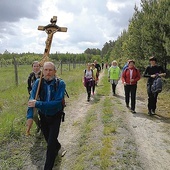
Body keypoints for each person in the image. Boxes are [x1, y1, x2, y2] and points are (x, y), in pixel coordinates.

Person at [26, 61, 66, 170]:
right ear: (42, 71)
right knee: (49, 140)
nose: (48, 72)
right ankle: (57, 146)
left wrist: (38, 104)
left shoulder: (60, 83)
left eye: (50, 70)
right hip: (43, 117)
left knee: (50, 146)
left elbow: (57, 102)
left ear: (55, 71)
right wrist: (29, 117)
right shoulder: (38, 82)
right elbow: (31, 100)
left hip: (55, 116)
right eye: (46, 70)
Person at [27, 61, 41, 133]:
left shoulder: (43, 75)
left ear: (40, 67)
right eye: (34, 66)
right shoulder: (31, 76)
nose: (36, 68)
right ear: (32, 67)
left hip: (42, 98)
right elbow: (29, 87)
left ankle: (44, 127)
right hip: (33, 98)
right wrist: (30, 92)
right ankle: (39, 125)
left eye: (37, 66)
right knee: (34, 115)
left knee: (42, 114)